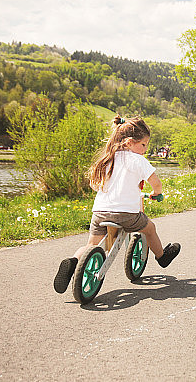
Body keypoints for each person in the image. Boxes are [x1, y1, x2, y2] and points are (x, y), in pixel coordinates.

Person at [53, 115, 180, 294]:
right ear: (129, 142)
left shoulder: (107, 158)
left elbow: (93, 184)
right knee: (150, 228)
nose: (145, 149)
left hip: (100, 213)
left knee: (92, 245)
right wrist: (156, 194)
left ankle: (73, 261)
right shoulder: (138, 160)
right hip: (126, 215)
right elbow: (156, 183)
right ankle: (162, 257)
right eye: (143, 144)